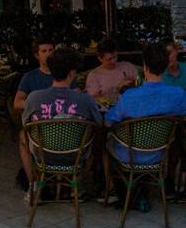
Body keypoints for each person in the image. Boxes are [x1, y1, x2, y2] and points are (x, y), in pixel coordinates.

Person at [18, 45, 102, 187]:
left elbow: (26, 124)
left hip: (43, 154)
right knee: (96, 138)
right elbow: (98, 123)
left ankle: (33, 184)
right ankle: (77, 185)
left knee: (22, 136)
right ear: (72, 73)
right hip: (76, 155)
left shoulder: (33, 98)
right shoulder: (86, 100)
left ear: (51, 70)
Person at [104, 42, 186, 168]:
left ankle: (110, 179)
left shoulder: (129, 96)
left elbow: (108, 122)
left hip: (128, 155)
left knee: (106, 140)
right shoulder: (178, 94)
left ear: (145, 67)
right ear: (165, 66)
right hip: (161, 155)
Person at [12, 40, 55, 190]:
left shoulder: (64, 74)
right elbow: (17, 103)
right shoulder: (30, 77)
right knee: (23, 137)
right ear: (37, 55)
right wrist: (38, 103)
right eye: (44, 51)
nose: (48, 54)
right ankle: (32, 183)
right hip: (38, 128)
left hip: (62, 125)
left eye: (51, 50)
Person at [84, 37, 138, 101]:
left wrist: (134, 84)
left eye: (115, 57)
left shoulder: (127, 66)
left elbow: (142, 83)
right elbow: (93, 100)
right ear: (100, 59)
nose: (113, 61)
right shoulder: (94, 76)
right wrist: (117, 89)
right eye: (109, 59)